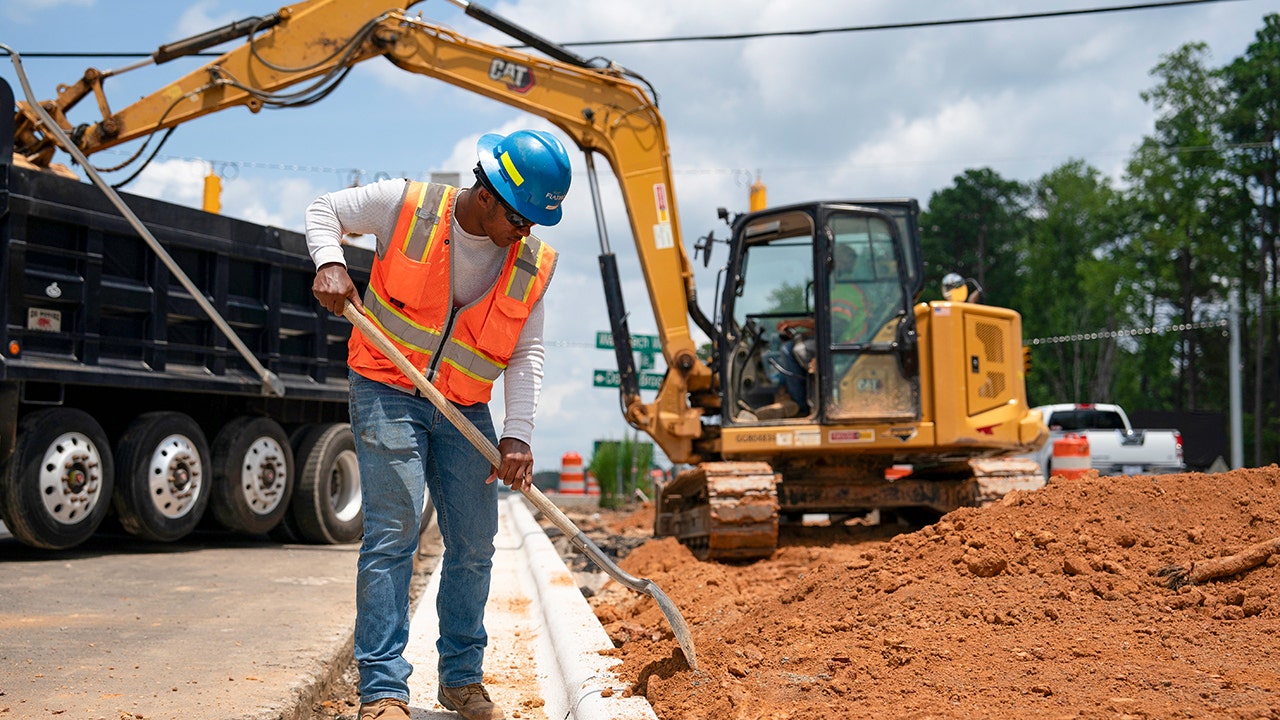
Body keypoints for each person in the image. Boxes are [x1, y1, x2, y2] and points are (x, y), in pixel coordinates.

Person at [306, 129, 572, 720]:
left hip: (464, 407)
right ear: (487, 192)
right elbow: (323, 210)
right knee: (394, 533)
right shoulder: (408, 205)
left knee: (476, 544)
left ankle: (459, 679)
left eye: (535, 223)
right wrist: (329, 261)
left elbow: (526, 353)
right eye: (519, 217)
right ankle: (381, 690)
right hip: (386, 386)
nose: (524, 232)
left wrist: (519, 434)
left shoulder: (531, 263)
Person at [773, 242, 867, 416]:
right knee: (785, 344)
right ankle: (782, 394)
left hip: (846, 345)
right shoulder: (838, 290)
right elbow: (826, 325)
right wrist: (802, 331)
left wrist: (817, 353)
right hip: (841, 340)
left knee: (789, 350)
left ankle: (798, 407)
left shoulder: (845, 291)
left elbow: (834, 328)